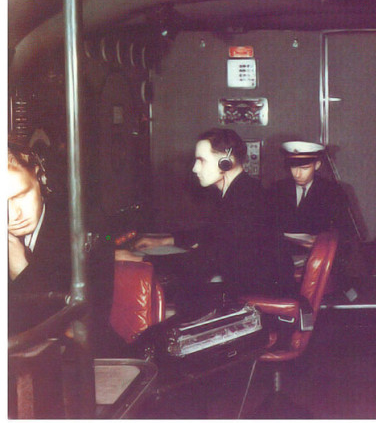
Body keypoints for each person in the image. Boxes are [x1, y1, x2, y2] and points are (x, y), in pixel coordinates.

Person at [134, 128, 290, 314]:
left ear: (226, 162)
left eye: (201, 160)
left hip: (259, 303)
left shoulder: (246, 200)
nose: (194, 168)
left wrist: (142, 260)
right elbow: (212, 232)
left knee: (173, 299)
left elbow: (206, 259)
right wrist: (164, 241)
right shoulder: (240, 191)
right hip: (251, 290)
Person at [268, 141, 359, 297]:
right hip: (282, 251)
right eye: (293, 167)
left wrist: (322, 241)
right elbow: (265, 224)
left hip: (318, 253)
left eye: (304, 168)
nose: (297, 174)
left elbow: (347, 230)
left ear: (317, 165)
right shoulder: (276, 189)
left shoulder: (333, 191)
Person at [8, 140, 71, 334]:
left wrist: (21, 270)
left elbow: (69, 328)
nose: (13, 215)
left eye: (20, 196)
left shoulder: (74, 230)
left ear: (40, 177)